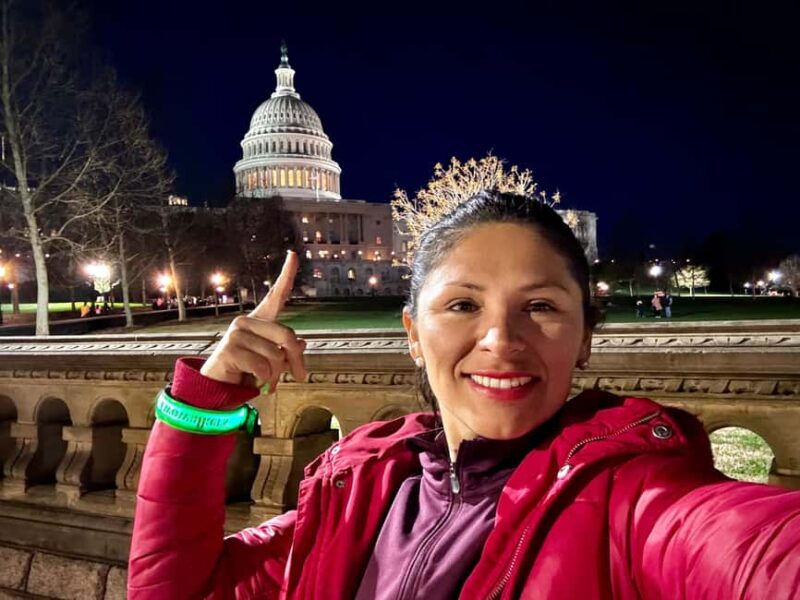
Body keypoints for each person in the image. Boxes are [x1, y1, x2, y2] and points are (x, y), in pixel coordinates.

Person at [128, 190, 800, 599]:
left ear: (586, 337)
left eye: (540, 305)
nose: (500, 340)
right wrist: (201, 409)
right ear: (413, 334)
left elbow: (756, 553)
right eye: (461, 305)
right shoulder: (352, 495)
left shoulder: (632, 506)